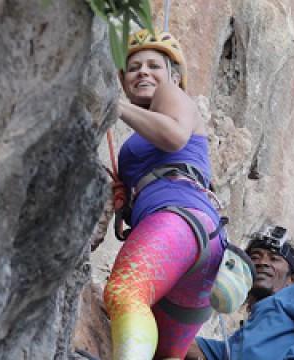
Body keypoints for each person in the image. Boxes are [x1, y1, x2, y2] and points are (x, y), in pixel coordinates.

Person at [102, 28, 225, 360]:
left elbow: (173, 136)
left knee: (126, 291)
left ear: (173, 75)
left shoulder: (172, 95)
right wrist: (124, 204)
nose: (142, 71)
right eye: (133, 67)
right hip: (196, 241)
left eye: (153, 65)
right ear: (123, 80)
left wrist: (114, 106)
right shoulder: (137, 142)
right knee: (167, 354)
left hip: (180, 219)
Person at [186, 226, 294, 360]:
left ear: (292, 279)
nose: (262, 263)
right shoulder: (237, 344)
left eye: (274, 259)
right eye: (255, 257)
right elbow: (185, 346)